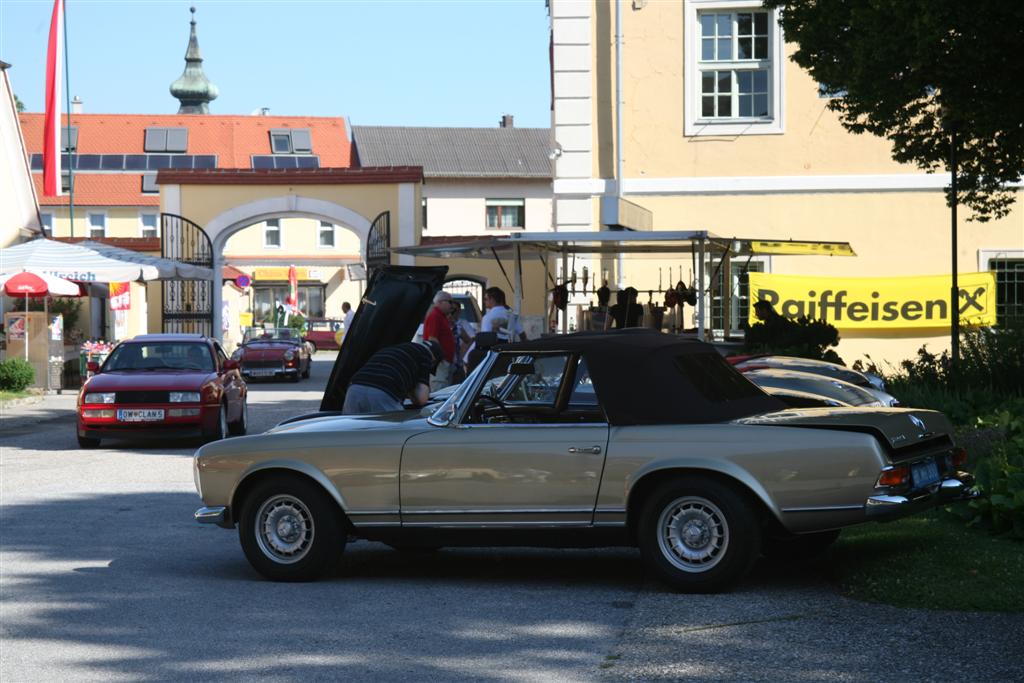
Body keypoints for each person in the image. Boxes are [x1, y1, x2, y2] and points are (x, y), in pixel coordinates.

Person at [342, 340, 442, 414]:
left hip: (354, 388)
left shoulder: (395, 348)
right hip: (383, 393)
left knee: (351, 435)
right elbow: (421, 399)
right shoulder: (425, 356)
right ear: (433, 360)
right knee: (393, 437)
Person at [422, 291, 456, 391]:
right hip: (440, 362)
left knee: (444, 388)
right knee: (439, 389)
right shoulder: (435, 316)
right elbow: (432, 339)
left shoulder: (441, 316)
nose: (452, 305)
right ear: (440, 302)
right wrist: (441, 358)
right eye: (450, 302)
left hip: (444, 360)